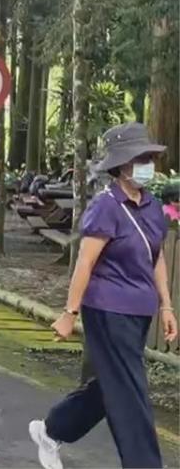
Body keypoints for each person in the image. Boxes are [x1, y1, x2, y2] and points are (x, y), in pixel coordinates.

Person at [28, 123, 177, 469]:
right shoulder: (105, 206)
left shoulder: (153, 206)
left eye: (150, 158)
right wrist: (70, 312)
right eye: (140, 158)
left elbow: (156, 257)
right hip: (107, 309)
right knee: (130, 391)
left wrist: (167, 305)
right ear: (121, 165)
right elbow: (85, 261)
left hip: (140, 311)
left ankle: (52, 429)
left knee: (111, 384)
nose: (147, 164)